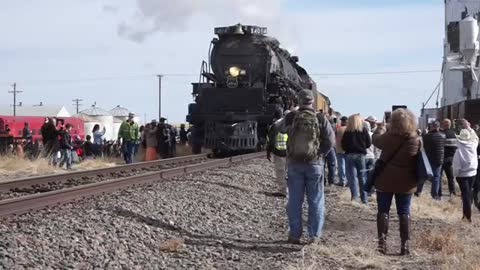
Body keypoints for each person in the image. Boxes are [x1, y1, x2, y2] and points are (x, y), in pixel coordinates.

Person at [278, 89, 335, 244]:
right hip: (315, 163)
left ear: (299, 100)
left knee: (294, 201)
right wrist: (320, 153)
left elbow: (280, 130)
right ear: (312, 101)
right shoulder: (321, 117)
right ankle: (314, 236)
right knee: (315, 200)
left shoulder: (291, 116)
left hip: (295, 163)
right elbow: (331, 141)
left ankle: (294, 235)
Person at [372, 108, 420, 256]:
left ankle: (382, 245)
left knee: (383, 211)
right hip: (406, 182)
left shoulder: (387, 138)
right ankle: (404, 247)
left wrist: (380, 127)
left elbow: (375, 140)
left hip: (385, 180)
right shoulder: (415, 140)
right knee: (404, 212)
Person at [341, 114, 372, 203]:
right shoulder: (364, 130)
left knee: (352, 177)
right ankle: (364, 199)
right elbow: (368, 143)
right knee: (362, 177)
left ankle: (354, 198)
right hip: (361, 156)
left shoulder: (347, 131)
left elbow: (343, 145)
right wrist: (362, 146)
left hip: (350, 155)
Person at [453, 129, 479, 222]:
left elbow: (456, 166)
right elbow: (476, 138)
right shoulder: (473, 145)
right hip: (473, 173)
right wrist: (470, 128)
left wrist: (455, 175)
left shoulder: (459, 150)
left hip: (462, 175)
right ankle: (467, 214)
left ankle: (467, 217)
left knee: (465, 195)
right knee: (468, 193)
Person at [417, 120, 445, 199]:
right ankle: (435, 194)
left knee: (423, 176)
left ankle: (418, 191)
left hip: (428, 159)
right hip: (439, 159)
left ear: (432, 126)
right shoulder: (443, 136)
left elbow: (423, 145)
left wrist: (425, 132)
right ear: (439, 126)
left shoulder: (426, 136)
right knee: (436, 178)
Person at [266, 110, 289, 196]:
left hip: (279, 151)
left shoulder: (275, 125)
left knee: (280, 171)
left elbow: (272, 140)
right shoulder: (289, 124)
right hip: (289, 151)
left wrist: (268, 151)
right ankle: (290, 189)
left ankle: (283, 190)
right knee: (288, 171)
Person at [441, 119, 457, 196]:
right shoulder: (453, 134)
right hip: (449, 159)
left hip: (440, 158)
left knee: (438, 177)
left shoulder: (440, 134)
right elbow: (455, 148)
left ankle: (438, 192)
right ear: (450, 125)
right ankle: (452, 192)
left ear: (443, 125)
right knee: (450, 177)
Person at [335, 116, 348, 187]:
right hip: (348, 150)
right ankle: (348, 181)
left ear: (343, 121)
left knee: (341, 166)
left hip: (339, 150)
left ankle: (342, 181)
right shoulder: (349, 129)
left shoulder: (338, 129)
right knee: (347, 166)